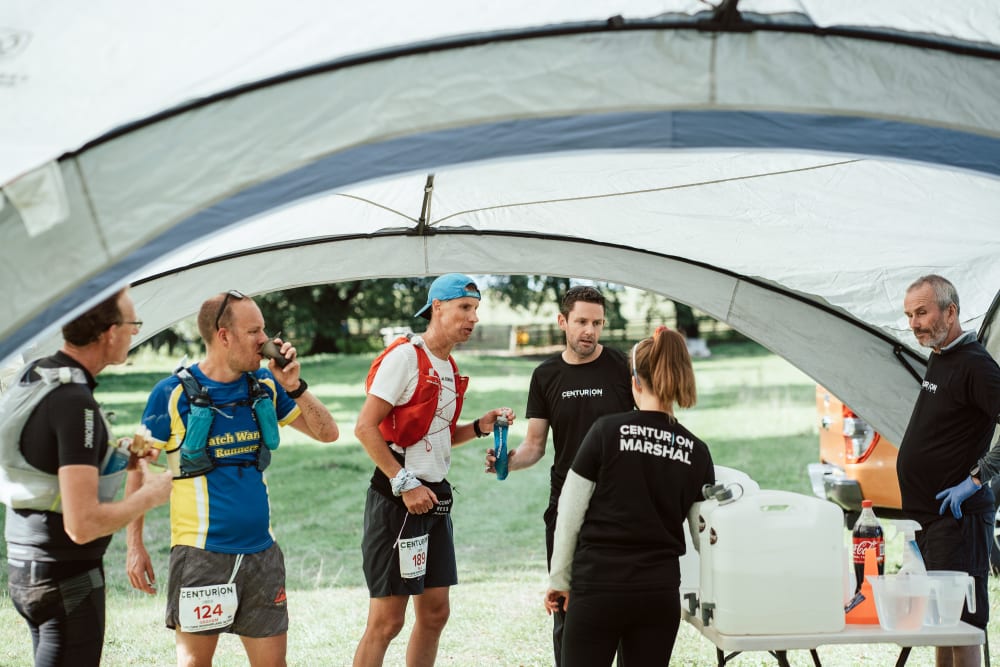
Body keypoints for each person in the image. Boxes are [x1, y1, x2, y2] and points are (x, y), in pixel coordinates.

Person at [125, 289, 339, 667]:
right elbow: (136, 465)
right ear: (224, 336)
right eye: (254, 331)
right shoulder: (169, 394)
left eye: (263, 330)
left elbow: (328, 433)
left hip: (262, 554)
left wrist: (294, 386)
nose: (265, 340)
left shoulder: (266, 384)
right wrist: (134, 545)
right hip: (201, 556)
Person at [3, 288, 174, 667]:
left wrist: (118, 453)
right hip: (66, 576)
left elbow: (44, 455)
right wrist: (150, 495)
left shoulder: (40, 374)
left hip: (26, 564)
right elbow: (82, 525)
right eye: (133, 324)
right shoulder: (74, 401)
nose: (135, 332)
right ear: (109, 333)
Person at [353, 273, 513, 667]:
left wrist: (479, 427)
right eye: (465, 307)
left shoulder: (448, 365)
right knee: (387, 622)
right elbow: (365, 428)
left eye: (476, 309)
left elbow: (435, 435)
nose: (473, 317)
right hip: (399, 499)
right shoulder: (406, 357)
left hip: (435, 500)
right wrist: (404, 483)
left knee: (436, 612)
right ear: (437, 307)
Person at [543, 325, 714, 666]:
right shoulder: (696, 450)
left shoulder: (605, 432)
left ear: (635, 381)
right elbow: (705, 535)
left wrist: (560, 579)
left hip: (598, 588)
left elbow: (570, 512)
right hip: (658, 594)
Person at [485, 285, 632, 664]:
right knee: (566, 604)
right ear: (562, 321)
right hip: (566, 507)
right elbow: (535, 445)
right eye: (581, 322)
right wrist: (507, 461)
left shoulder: (622, 366)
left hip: (619, 507)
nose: (589, 331)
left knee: (620, 607)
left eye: (597, 323)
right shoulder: (546, 375)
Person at [896, 275, 1000, 667]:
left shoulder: (976, 365)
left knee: (963, 627)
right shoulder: (940, 355)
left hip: (959, 521)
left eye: (922, 312)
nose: (914, 323)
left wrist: (975, 480)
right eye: (909, 315)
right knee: (941, 624)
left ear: (950, 311)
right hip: (930, 519)